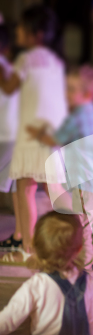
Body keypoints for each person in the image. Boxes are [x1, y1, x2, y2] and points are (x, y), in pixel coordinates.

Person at [27, 65, 93, 275]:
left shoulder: (77, 117)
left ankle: (85, 267)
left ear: (88, 93)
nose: (66, 93)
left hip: (86, 181)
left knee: (83, 226)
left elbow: (54, 140)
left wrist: (37, 132)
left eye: (71, 89)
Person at [0, 5, 67, 264]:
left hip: (31, 132)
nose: (16, 30)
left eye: (21, 26)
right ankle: (81, 232)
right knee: (55, 186)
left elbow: (8, 88)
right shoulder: (55, 61)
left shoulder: (26, 60)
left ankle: (28, 248)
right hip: (52, 132)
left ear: (35, 34)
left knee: (25, 187)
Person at [0, 211, 93, 335]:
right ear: (78, 248)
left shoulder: (37, 285)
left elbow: (8, 320)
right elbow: (92, 318)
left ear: (35, 246)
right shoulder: (86, 280)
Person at [0, 23, 20, 251]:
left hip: (5, 135)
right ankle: (21, 235)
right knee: (17, 189)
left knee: (19, 188)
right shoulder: (10, 68)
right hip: (12, 135)